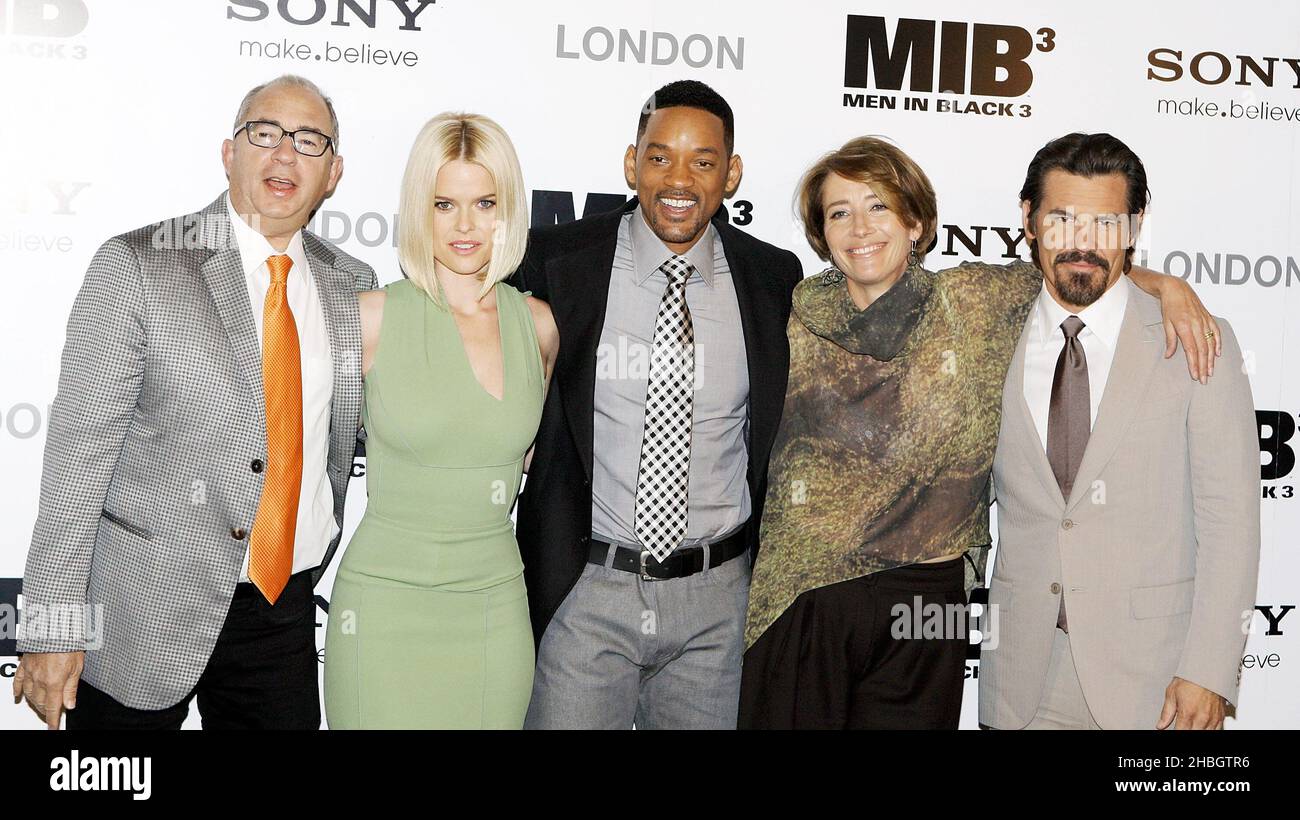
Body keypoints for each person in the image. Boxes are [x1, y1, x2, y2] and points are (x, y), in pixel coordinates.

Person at [738, 135, 1219, 729]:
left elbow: (1084, 267)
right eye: (840, 213)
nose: (861, 227)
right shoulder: (786, 318)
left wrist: (1171, 287)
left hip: (924, 603)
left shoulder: (978, 301)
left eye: (880, 206)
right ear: (821, 233)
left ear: (915, 222)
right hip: (801, 596)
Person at [13, 75, 376, 729]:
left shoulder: (353, 287)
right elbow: (77, 460)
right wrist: (50, 623)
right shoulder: (140, 265)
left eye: (309, 140)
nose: (284, 154)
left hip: (282, 612)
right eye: (263, 133)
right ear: (228, 153)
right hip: (141, 613)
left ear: (334, 173)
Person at [510, 80, 803, 729]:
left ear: (732, 173)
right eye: (660, 156)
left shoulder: (773, 279)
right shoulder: (557, 264)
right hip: (587, 594)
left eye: (704, 161)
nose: (680, 178)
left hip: (718, 606)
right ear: (630, 163)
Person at [979, 133, 1259, 730]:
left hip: (1155, 683)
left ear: (1135, 227)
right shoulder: (986, 331)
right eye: (1062, 219)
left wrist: (1210, 670)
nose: (1083, 242)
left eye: (1106, 223)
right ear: (1027, 220)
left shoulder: (1197, 340)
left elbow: (1231, 521)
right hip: (1020, 677)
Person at [323, 113, 558, 729]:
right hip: (382, 606)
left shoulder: (537, 326)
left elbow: (525, 465)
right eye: (443, 203)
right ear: (417, 209)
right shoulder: (370, 318)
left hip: (492, 609)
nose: (464, 225)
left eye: (485, 202)